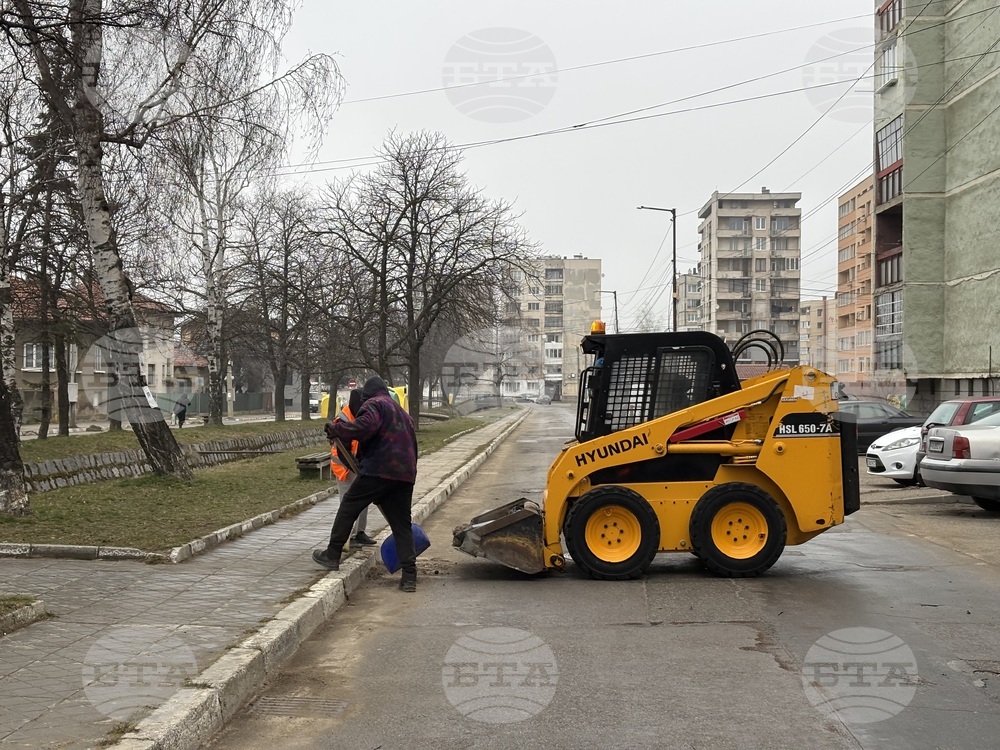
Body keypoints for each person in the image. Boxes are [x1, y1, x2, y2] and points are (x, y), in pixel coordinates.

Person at [313, 376, 419, 592]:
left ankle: (332, 554)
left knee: (349, 506)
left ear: (368, 395)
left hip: (379, 469)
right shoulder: (401, 412)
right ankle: (409, 576)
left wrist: (339, 429)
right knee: (401, 524)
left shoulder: (374, 404)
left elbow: (365, 427)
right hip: (405, 473)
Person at [331, 389, 377, 548]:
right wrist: (355, 466)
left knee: (363, 500)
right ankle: (345, 538)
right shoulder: (342, 420)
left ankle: (359, 533)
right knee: (347, 503)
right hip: (343, 467)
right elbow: (343, 451)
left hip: (357, 465)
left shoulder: (361, 415)